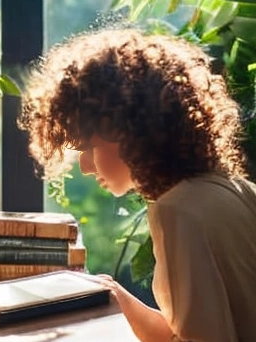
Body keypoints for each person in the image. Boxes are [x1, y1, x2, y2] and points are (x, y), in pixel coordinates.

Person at [18, 28, 256, 342]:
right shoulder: (233, 189)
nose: (86, 168)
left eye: (90, 148)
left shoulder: (178, 212)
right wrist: (117, 296)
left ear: (133, 131)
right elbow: (187, 334)